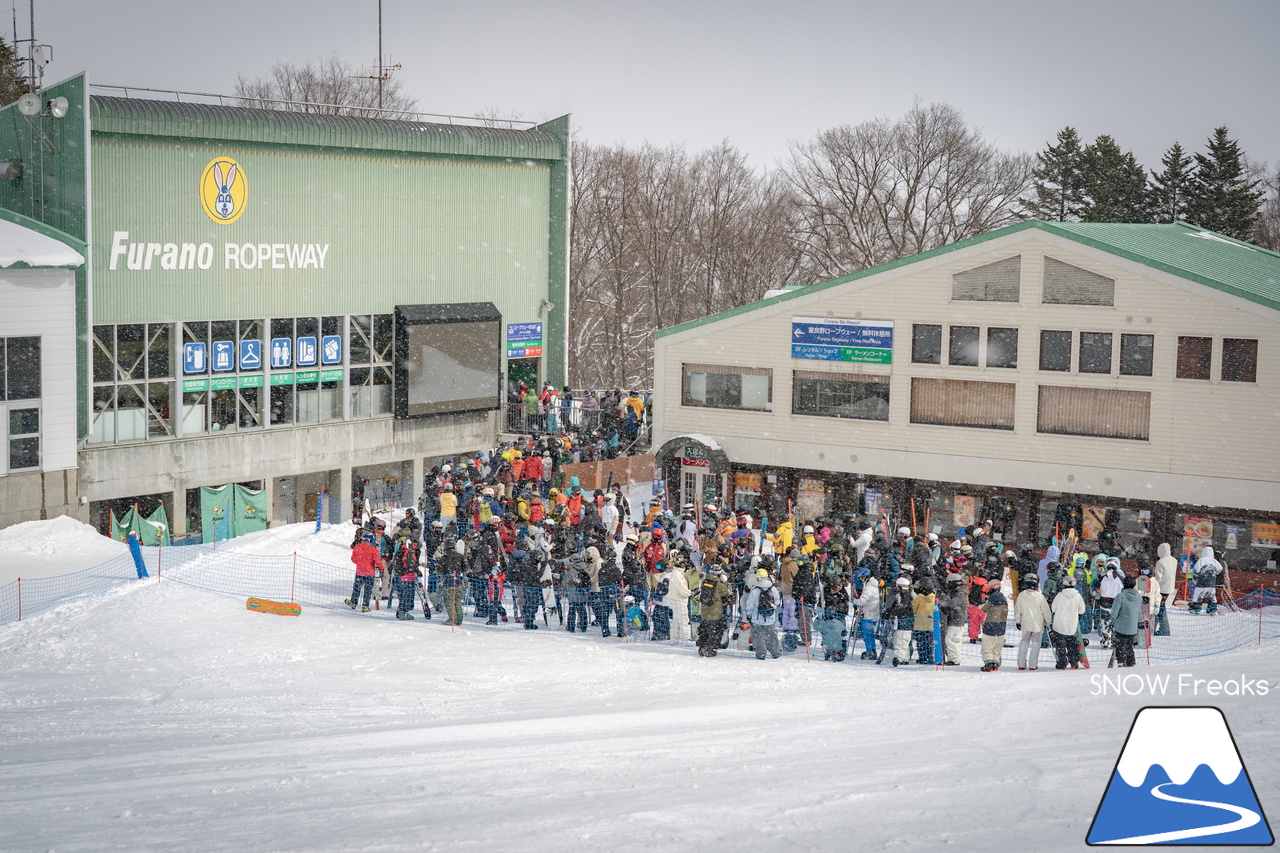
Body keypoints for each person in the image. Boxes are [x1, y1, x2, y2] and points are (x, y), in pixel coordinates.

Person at [1013, 575, 1052, 671]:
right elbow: (1046, 611)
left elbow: (1018, 609)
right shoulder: (1040, 596)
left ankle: (1021, 664)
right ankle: (1032, 665)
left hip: (1026, 623)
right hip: (1037, 625)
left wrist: (1017, 620)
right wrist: (1048, 622)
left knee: (1024, 643)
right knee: (1036, 645)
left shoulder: (1022, 595)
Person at [696, 564, 734, 657]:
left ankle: (702, 648)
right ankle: (709, 649)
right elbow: (727, 593)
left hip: (704, 611)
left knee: (704, 631)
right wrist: (725, 582)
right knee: (714, 632)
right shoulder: (719, 584)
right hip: (715, 612)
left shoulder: (704, 581)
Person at [1049, 576, 1086, 670]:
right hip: (1071, 625)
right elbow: (1082, 610)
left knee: (1060, 646)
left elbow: (1053, 608)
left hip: (1059, 625)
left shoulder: (1060, 595)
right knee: (1072, 646)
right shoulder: (1078, 596)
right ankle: (1074, 663)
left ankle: (1062, 664)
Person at [745, 567, 782, 660]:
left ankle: (761, 653)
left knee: (759, 636)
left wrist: (749, 614)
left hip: (757, 617)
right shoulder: (773, 589)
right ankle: (775, 652)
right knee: (771, 635)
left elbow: (750, 604)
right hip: (770, 616)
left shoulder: (755, 590)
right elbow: (777, 602)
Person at [344, 531, 382, 612]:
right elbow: (377, 561)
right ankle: (365, 605)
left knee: (357, 588)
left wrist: (360, 563)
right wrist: (381, 568)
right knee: (367, 590)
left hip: (359, 572)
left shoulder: (357, 547)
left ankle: (353, 602)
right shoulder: (373, 549)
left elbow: (353, 559)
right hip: (369, 573)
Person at [1110, 575, 1143, 667]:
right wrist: (1139, 620)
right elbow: (1139, 611)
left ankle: (1122, 660)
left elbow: (1115, 611)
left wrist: (1113, 619)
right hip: (1132, 625)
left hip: (1121, 625)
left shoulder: (1120, 596)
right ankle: (1130, 660)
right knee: (1129, 644)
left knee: (1121, 644)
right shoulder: (1138, 597)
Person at [884, 576, 915, 666]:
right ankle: (905, 658)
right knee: (904, 641)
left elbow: (900, 608)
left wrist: (891, 612)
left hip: (904, 622)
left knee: (900, 641)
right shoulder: (908, 595)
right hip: (906, 622)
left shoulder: (905, 596)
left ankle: (899, 658)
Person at [978, 579, 1008, 672]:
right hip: (1001, 626)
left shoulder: (992, 598)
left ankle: (988, 663)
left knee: (987, 646)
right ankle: (995, 662)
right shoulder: (1004, 599)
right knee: (996, 647)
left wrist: (982, 602)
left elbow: (983, 608)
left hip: (991, 625)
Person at [938, 572, 967, 666]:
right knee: (950, 639)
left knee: (952, 640)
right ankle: (953, 658)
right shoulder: (955, 591)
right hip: (952, 618)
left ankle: (955, 660)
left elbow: (953, 603)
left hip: (957, 619)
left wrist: (944, 597)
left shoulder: (960, 593)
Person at [392, 537, 423, 620]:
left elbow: (412, 564)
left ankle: (404, 611)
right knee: (405, 597)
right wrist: (409, 570)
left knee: (408, 597)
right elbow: (402, 566)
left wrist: (415, 570)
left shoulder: (410, 552)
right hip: (404, 578)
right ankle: (402, 612)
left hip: (409, 577)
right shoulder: (403, 552)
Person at [853, 567, 880, 659]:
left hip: (869, 614)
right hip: (871, 613)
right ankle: (870, 650)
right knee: (869, 634)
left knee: (868, 634)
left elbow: (862, 601)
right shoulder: (871, 585)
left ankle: (871, 651)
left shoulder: (869, 588)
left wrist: (854, 600)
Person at [1188, 546, 1223, 615]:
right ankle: (1212, 610)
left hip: (1201, 583)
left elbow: (1196, 570)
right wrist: (1214, 574)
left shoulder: (1201, 560)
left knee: (1198, 596)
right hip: (1211, 584)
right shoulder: (1214, 561)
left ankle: (1196, 609)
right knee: (1211, 597)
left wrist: (1195, 577)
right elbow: (1220, 569)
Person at [1153, 543, 1178, 636]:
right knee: (1159, 607)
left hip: (1160, 588)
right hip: (1169, 587)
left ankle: (1164, 629)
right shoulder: (1174, 560)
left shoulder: (1160, 562)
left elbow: (1158, 577)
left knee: (1159, 608)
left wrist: (1152, 584)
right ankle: (1155, 627)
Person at [911, 578, 936, 664]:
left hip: (920, 623)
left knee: (921, 642)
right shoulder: (934, 597)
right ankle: (929, 657)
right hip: (930, 623)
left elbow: (914, 608)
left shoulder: (919, 597)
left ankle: (922, 657)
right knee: (929, 642)